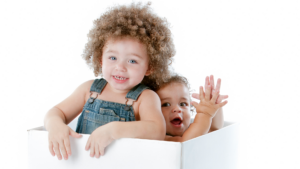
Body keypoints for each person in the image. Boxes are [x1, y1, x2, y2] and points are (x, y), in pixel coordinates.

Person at [44, 2, 175, 160]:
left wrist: (114, 130)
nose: (120, 67)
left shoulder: (145, 97)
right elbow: (56, 112)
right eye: (112, 58)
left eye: (132, 61)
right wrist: (55, 125)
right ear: (100, 59)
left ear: (150, 67)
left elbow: (157, 131)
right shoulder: (89, 90)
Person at [155, 74, 228, 142]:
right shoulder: (160, 137)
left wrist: (213, 104)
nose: (177, 109)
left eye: (183, 104)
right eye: (166, 104)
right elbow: (186, 142)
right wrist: (205, 113)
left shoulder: (192, 127)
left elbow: (215, 129)